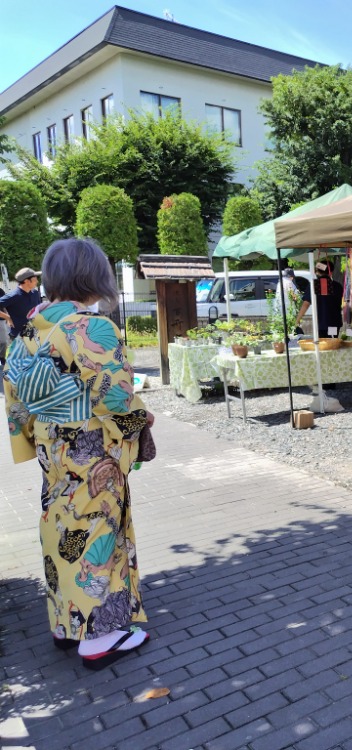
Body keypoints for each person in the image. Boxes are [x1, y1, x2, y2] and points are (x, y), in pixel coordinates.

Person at [2, 239, 152, 670]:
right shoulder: (93, 327)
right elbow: (116, 399)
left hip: (53, 448)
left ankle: (67, 625)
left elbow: (15, 397)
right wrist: (141, 424)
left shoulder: (29, 328)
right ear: (96, 276)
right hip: (92, 450)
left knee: (61, 531)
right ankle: (100, 638)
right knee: (100, 532)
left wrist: (30, 441)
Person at [0, 267, 43, 340]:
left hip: (35, 334)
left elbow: (39, 310)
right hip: (19, 337)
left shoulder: (35, 293)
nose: (37, 282)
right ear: (26, 281)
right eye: (34, 280)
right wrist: (7, 318)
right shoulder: (13, 296)